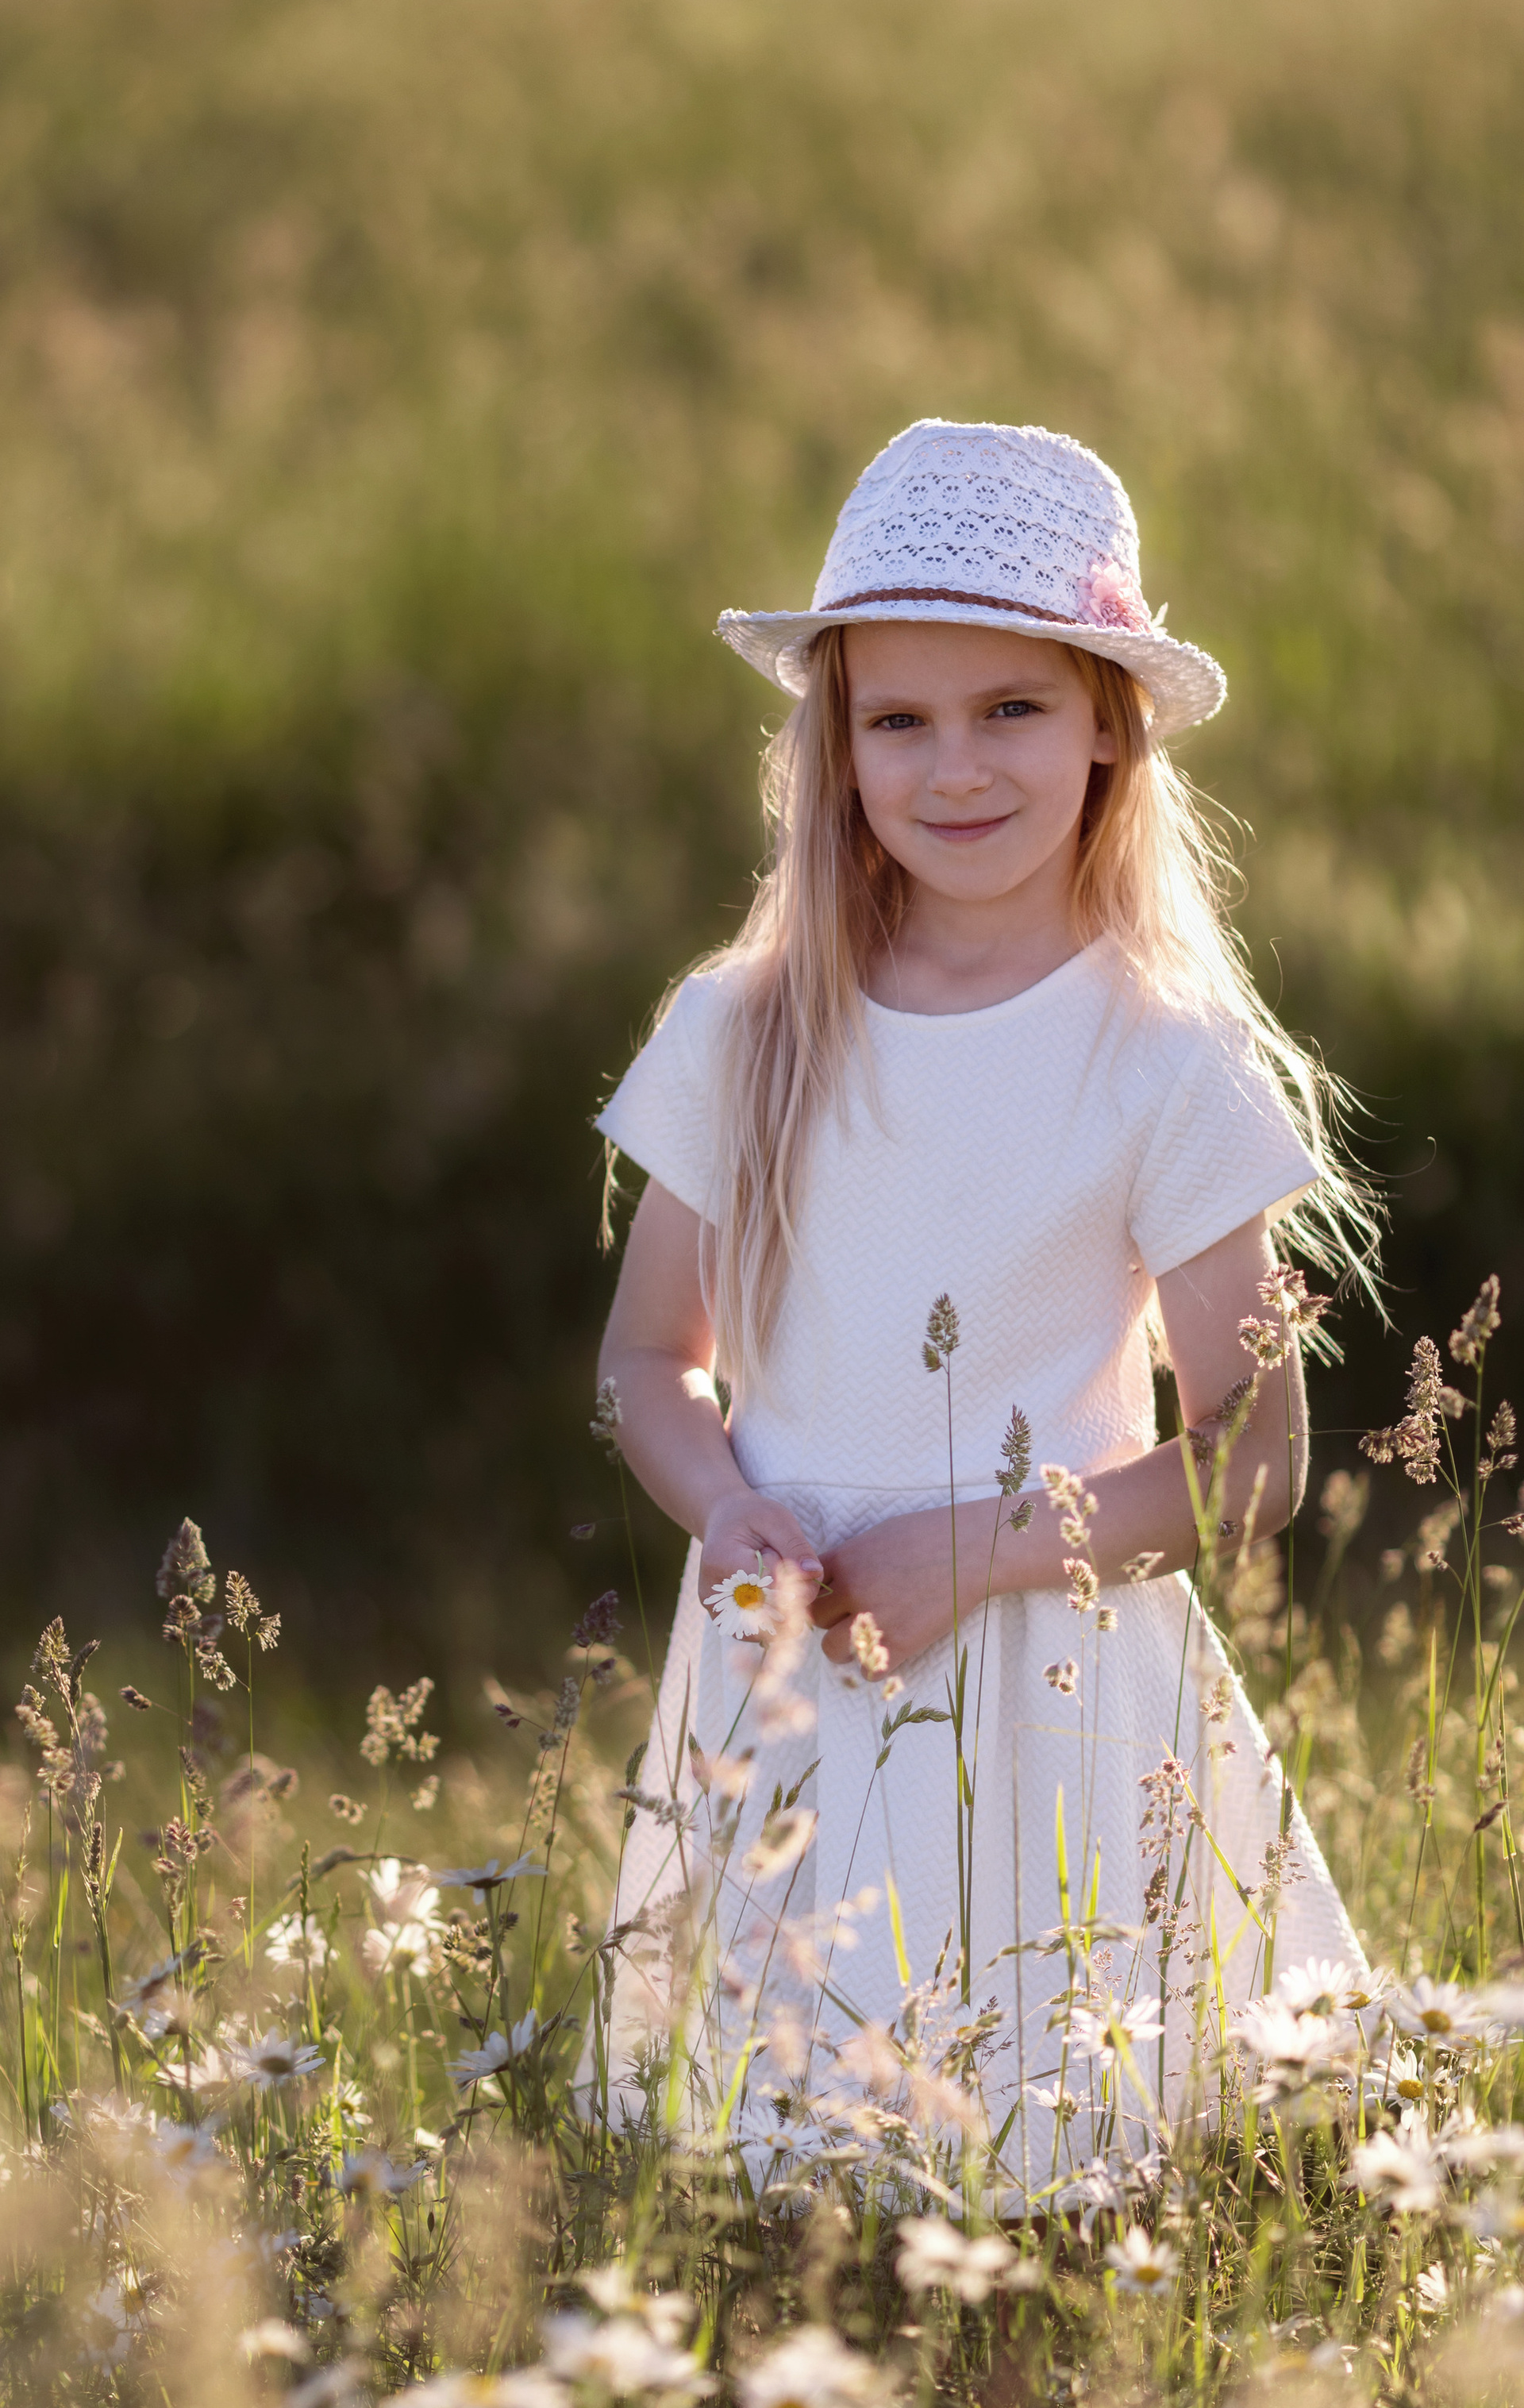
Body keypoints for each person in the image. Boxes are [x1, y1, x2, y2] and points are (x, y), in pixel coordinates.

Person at [587, 417, 1374, 2191]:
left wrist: (988, 1545)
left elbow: (1247, 1460)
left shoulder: (1164, 1064)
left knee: (1055, 2176)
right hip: (784, 1679)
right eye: (898, 719)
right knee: (766, 2190)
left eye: (1009, 708)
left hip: (1050, 1686)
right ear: (835, 743)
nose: (953, 766)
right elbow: (646, 1362)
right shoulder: (745, 1028)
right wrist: (729, 1510)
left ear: (1109, 717)